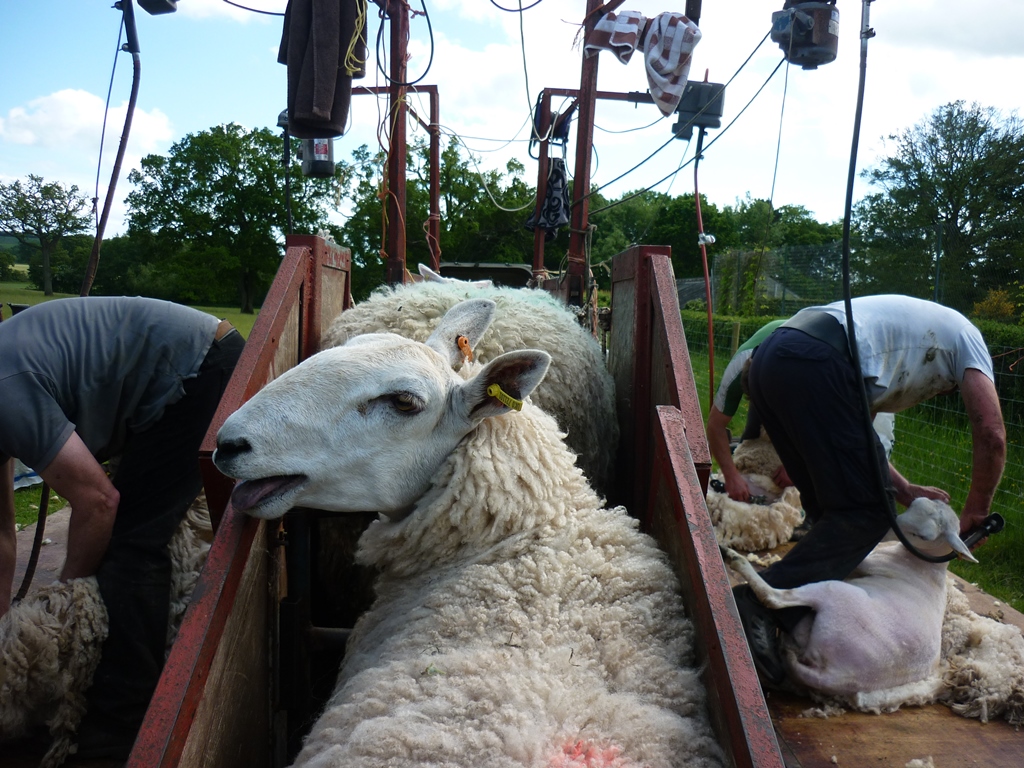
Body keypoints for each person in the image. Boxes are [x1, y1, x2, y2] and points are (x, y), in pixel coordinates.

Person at [0, 296, 245, 759]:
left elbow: (97, 501)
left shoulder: (3, 394)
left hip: (198, 367)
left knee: (130, 547)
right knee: (126, 533)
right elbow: (1, 534)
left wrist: (70, 600)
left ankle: (120, 731)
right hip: (165, 376)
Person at [733, 294, 1006, 685]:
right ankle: (761, 601)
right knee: (870, 514)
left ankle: (804, 619)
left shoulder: (891, 349)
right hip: (815, 362)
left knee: (833, 512)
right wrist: (977, 510)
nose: (941, 392)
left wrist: (902, 486)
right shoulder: (968, 342)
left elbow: (864, 444)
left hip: (776, 359)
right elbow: (992, 433)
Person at [707, 318, 787, 501]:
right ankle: (745, 478)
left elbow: (822, 424)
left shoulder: (803, 374)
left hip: (796, 367)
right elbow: (715, 425)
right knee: (754, 432)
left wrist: (797, 467)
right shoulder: (736, 371)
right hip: (771, 361)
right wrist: (731, 476)